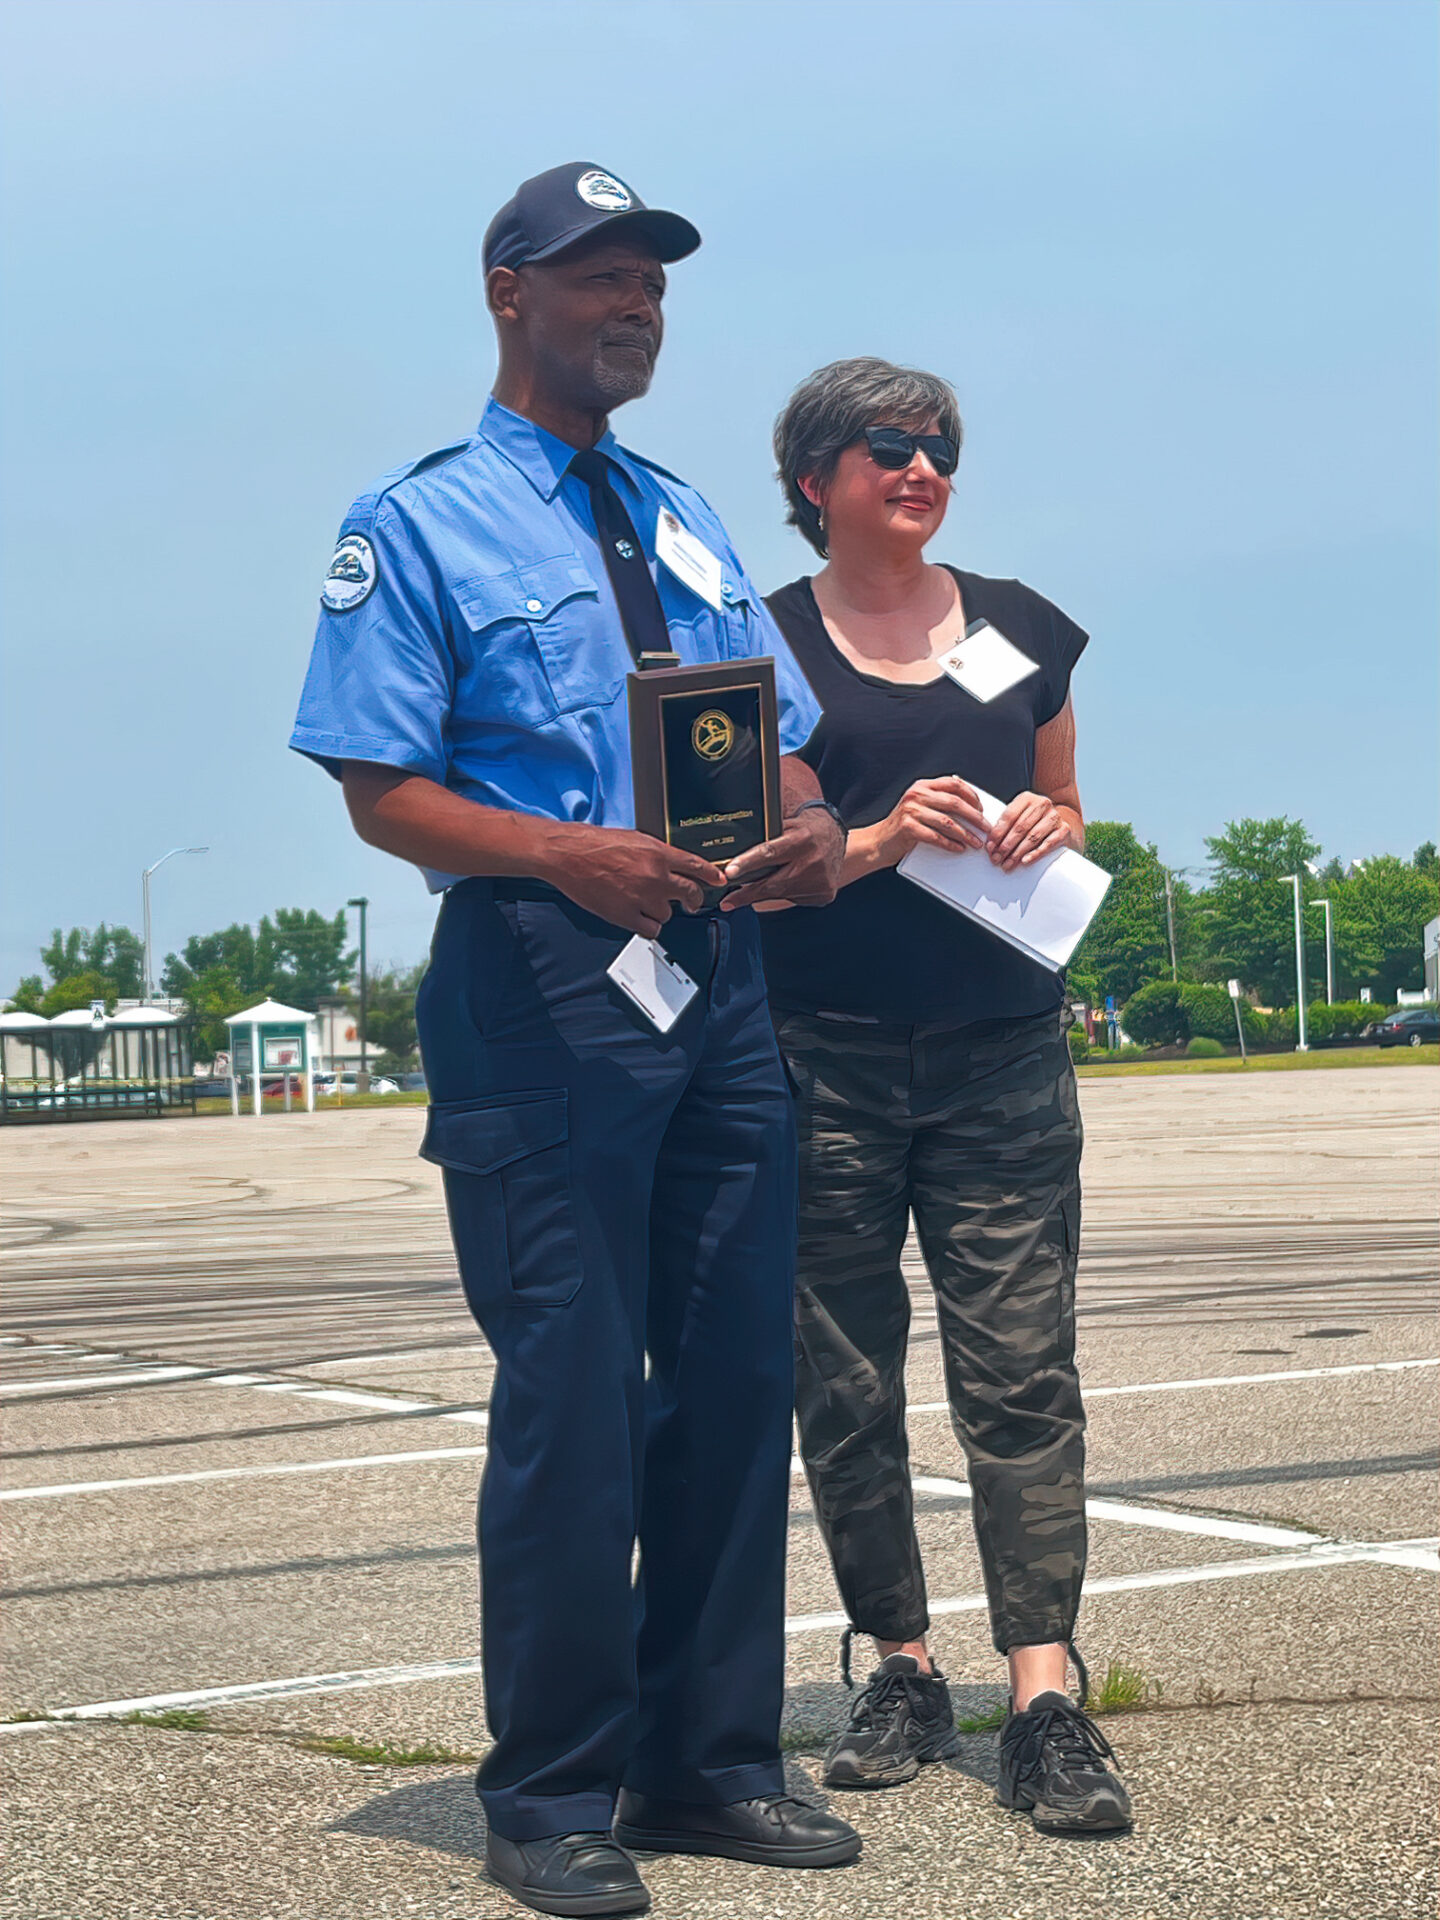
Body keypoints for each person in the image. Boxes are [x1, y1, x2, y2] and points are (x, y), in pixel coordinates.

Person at [290, 165, 859, 1918]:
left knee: (734, 1384)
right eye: (600, 279)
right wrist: (563, 851)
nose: (635, 309)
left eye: (654, 288)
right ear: (505, 292)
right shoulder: (422, 522)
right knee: (574, 1396)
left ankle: (709, 1762)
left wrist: (817, 829)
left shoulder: (686, 515)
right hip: (542, 981)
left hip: (721, 979)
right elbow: (380, 791)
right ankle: (549, 1794)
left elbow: (783, 745)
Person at [758, 357, 1133, 1835]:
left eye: (939, 449)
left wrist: (1052, 819)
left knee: (1022, 1375)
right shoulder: (769, 641)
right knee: (844, 1384)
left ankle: (1044, 1691)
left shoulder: (1026, 629)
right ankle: (900, 1662)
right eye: (887, 448)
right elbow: (765, 863)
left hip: (1002, 1053)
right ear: (814, 479)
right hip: (822, 1057)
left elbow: (1070, 804)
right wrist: (873, 835)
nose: (921, 468)